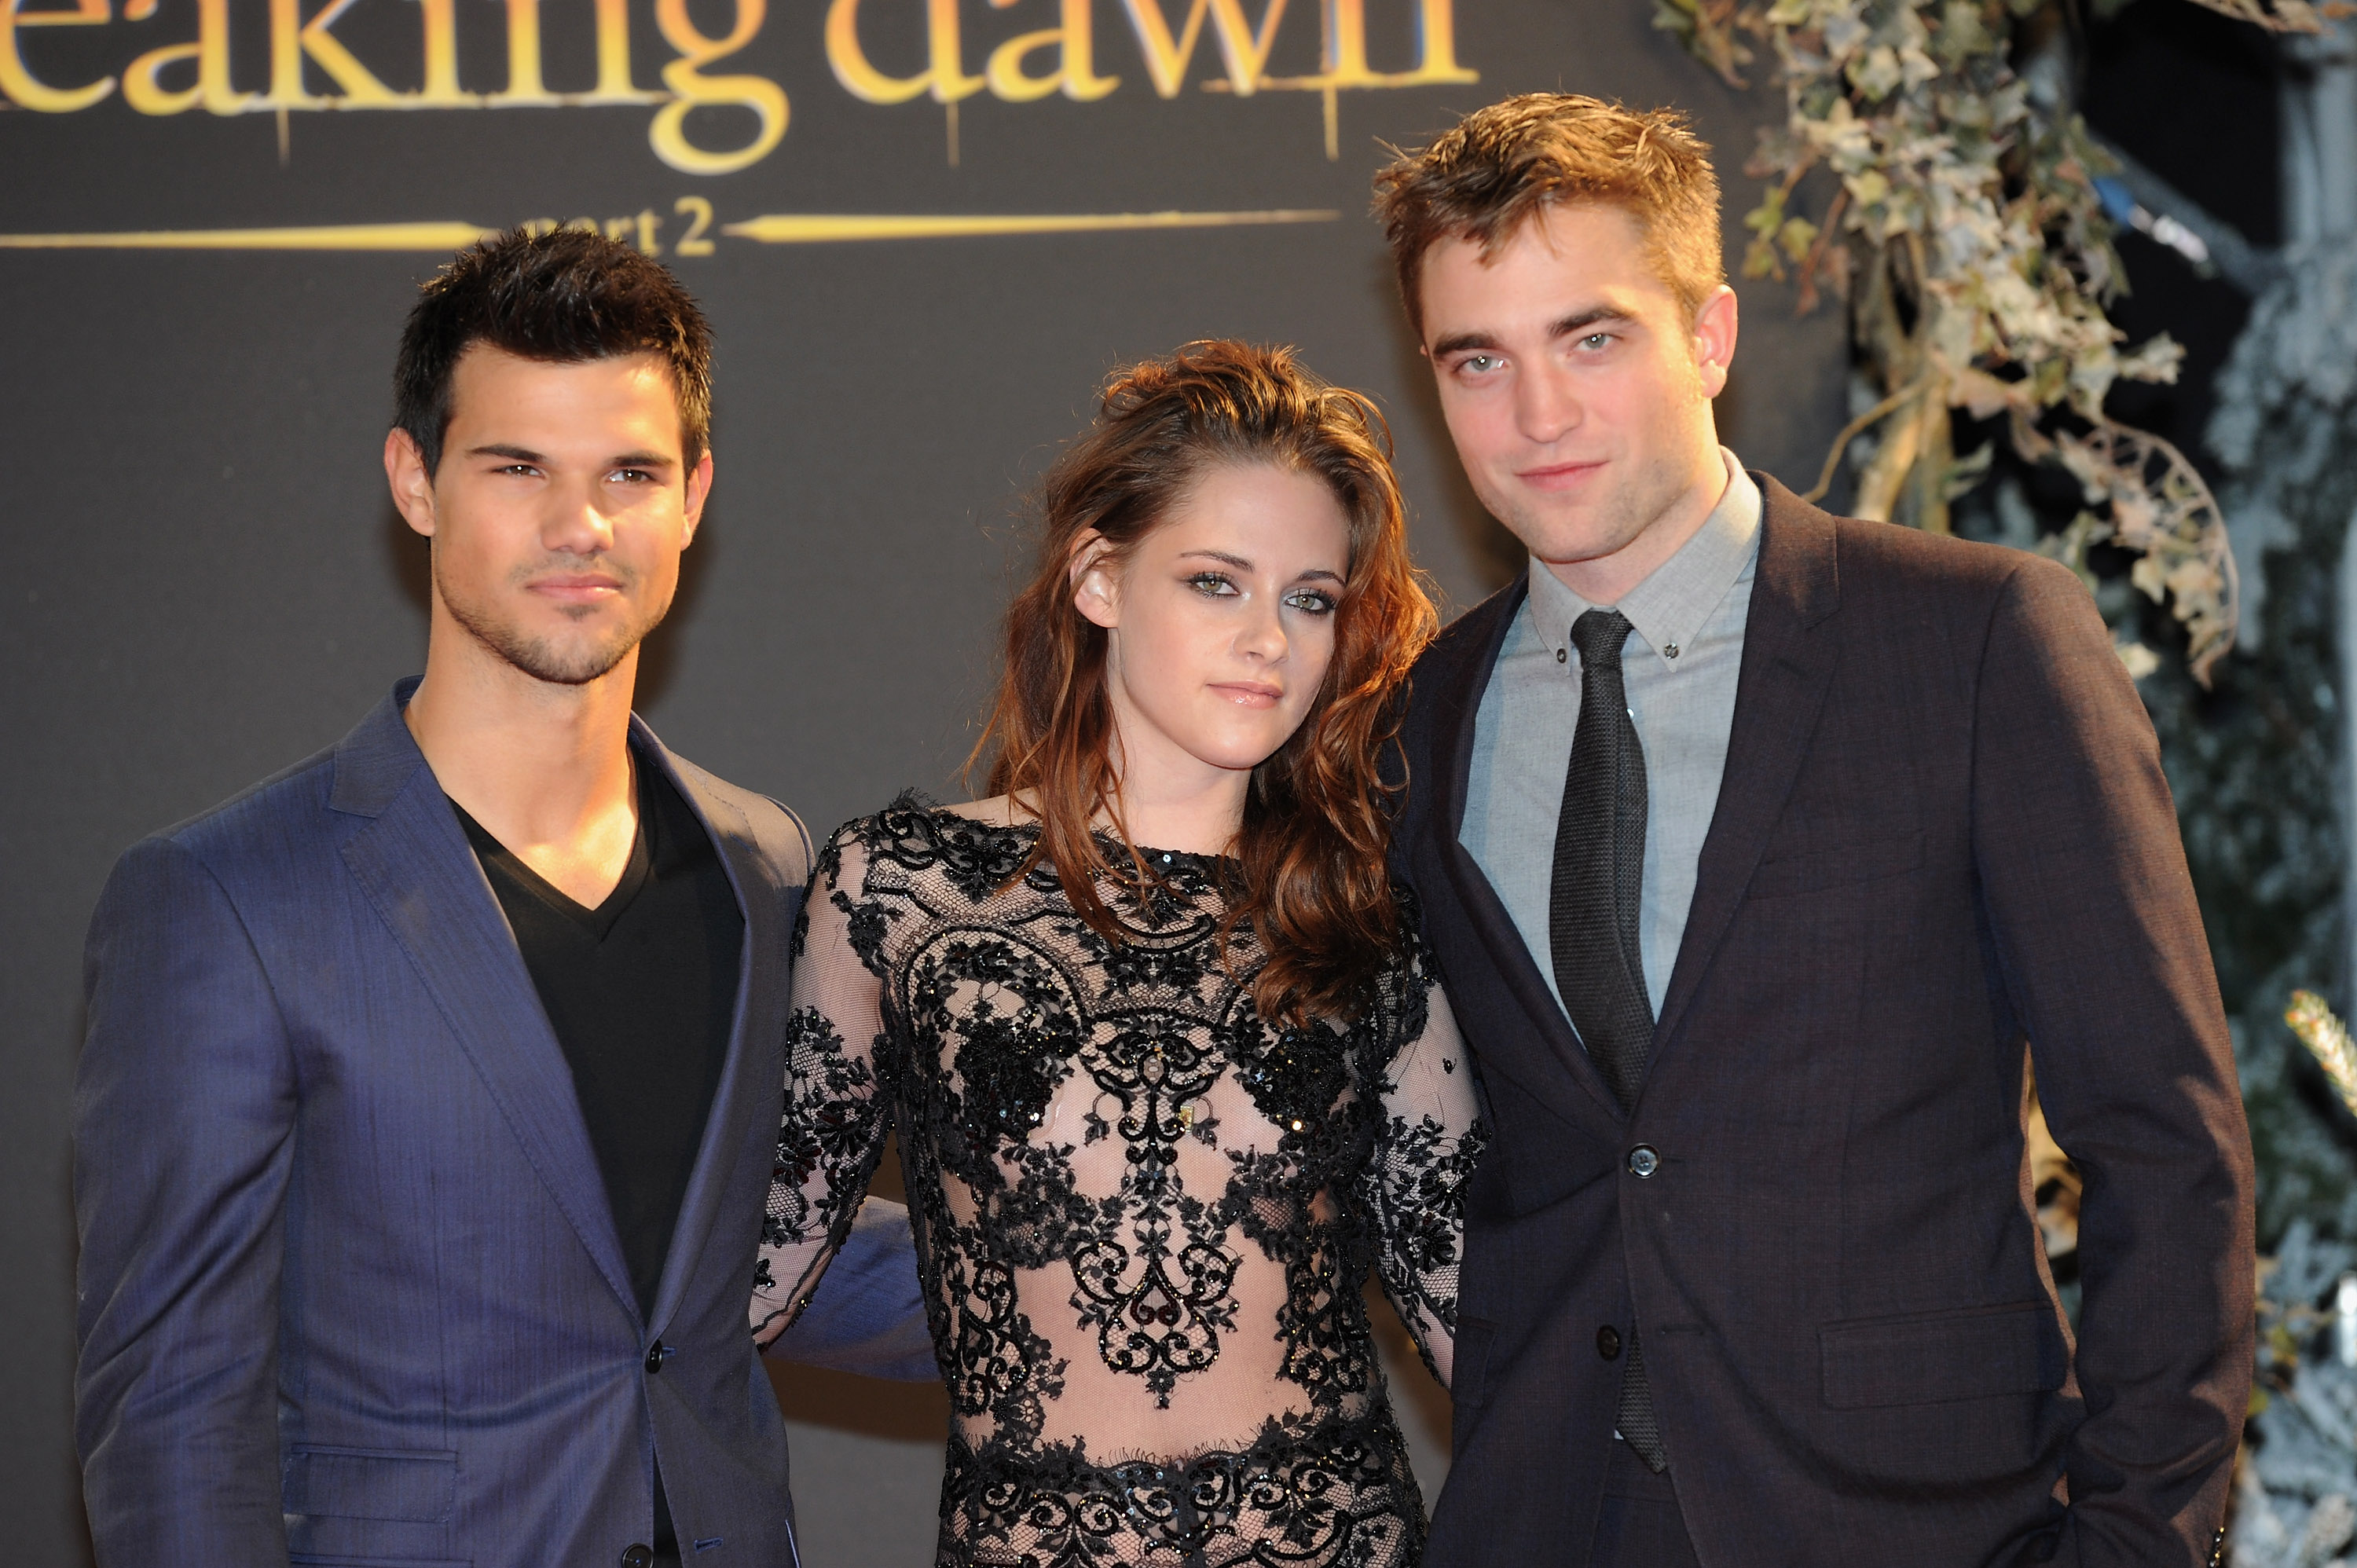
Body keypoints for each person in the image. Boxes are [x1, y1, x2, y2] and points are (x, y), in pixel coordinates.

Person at [1368, 93, 2258, 1567]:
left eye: (1592, 339)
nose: (1538, 416)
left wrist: (2137, 1544)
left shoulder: (1975, 641)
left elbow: (2167, 1144)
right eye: (1480, 360)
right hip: (1549, 1519)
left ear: (1710, 336)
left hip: (1921, 1521)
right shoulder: (1423, 715)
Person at [74, 228, 933, 1568]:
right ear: (415, 482)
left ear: (695, 497)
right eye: (518, 467)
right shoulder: (225, 899)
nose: (580, 525)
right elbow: (172, 1410)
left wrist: (1191, 1254)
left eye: (631, 473)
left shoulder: (761, 861)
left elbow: (745, 1260)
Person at [752, 340, 1487, 1567]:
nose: (1270, 639)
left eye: (1310, 598)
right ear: (1099, 577)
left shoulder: (1364, 921)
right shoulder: (901, 892)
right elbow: (755, 1278)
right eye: (1216, 582)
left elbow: (1484, 1322)